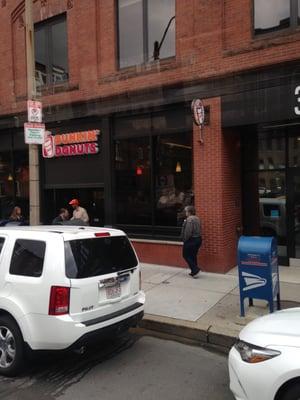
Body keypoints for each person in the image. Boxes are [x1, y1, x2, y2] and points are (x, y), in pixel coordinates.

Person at [181, 205, 202, 278]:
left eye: (185, 211)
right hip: (198, 239)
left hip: (191, 240)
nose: (185, 212)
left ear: (189, 212)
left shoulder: (189, 219)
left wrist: (185, 240)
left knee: (185, 255)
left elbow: (188, 232)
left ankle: (195, 269)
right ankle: (194, 272)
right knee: (193, 255)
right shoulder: (197, 218)